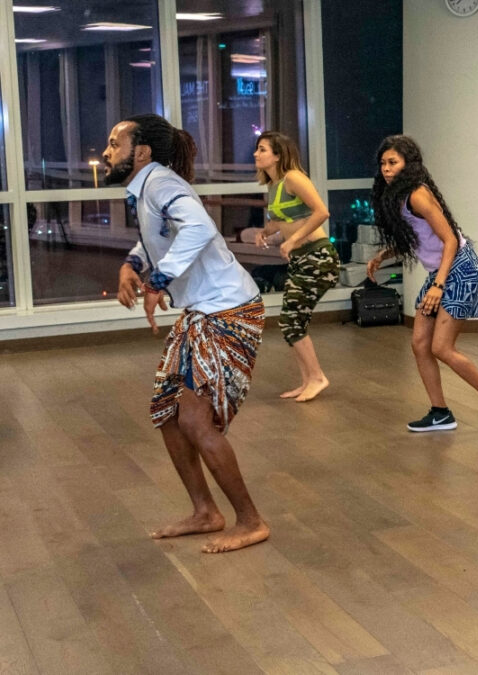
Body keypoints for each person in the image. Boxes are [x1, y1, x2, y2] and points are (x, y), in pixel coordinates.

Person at [106, 113, 269, 553]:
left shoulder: (161, 184)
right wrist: (132, 264)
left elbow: (198, 227)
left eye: (115, 144)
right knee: (167, 413)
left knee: (196, 420)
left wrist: (158, 282)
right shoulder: (147, 189)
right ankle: (205, 512)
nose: (106, 152)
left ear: (141, 152)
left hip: (229, 310)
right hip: (202, 311)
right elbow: (157, 236)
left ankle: (250, 520)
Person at [367, 135, 478, 434]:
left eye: (393, 162)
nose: (386, 168)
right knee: (420, 344)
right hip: (442, 271)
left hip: (460, 268)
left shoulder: (417, 194)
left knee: (442, 347)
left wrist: (438, 285)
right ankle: (440, 412)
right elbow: (421, 238)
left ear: (408, 164)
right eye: (383, 163)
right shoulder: (398, 196)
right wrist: (385, 253)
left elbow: (449, 241)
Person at [253, 131, 339, 402]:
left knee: (291, 321)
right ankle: (308, 381)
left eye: (262, 149)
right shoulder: (275, 184)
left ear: (278, 155)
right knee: (292, 322)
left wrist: (294, 241)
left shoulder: (293, 178)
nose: (256, 154)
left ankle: (317, 378)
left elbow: (322, 212)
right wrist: (265, 232)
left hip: (318, 257)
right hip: (303, 259)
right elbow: (281, 219)